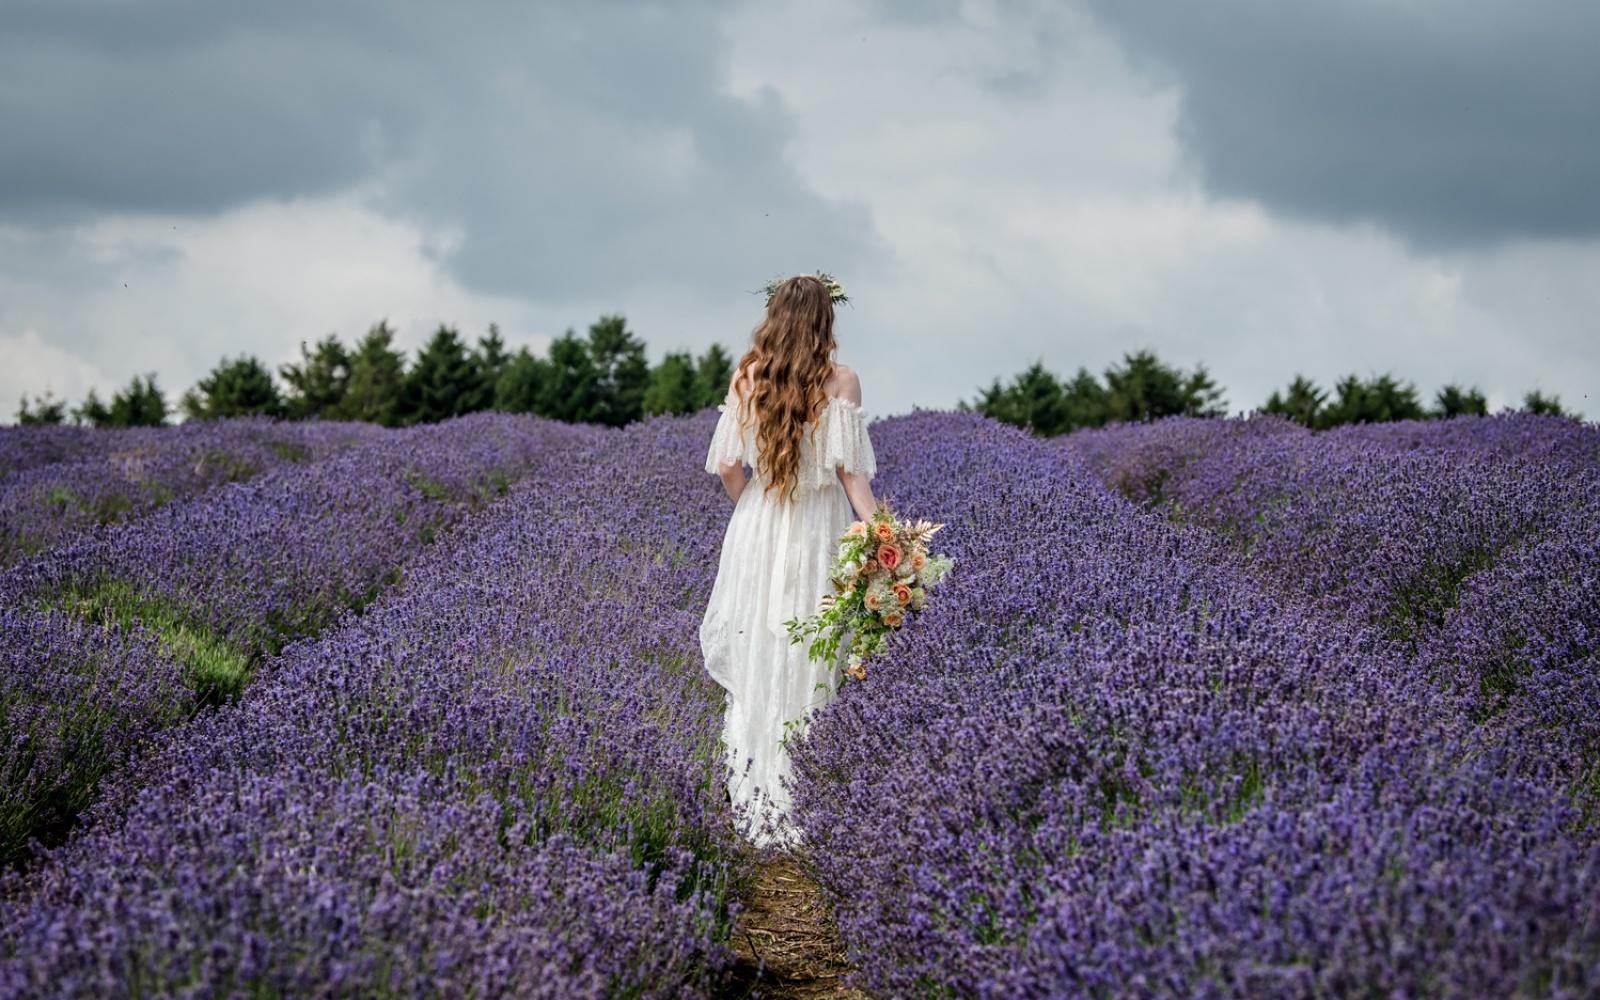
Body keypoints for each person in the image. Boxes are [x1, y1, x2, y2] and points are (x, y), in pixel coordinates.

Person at [698, 274, 879, 849]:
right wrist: (884, 538)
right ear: (825, 320)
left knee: (758, 652)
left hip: (758, 523)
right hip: (815, 526)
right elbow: (852, 477)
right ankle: (806, 799)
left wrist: (752, 513)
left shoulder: (748, 376)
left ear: (774, 316)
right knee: (812, 650)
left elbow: (729, 467)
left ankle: (753, 799)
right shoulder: (841, 381)